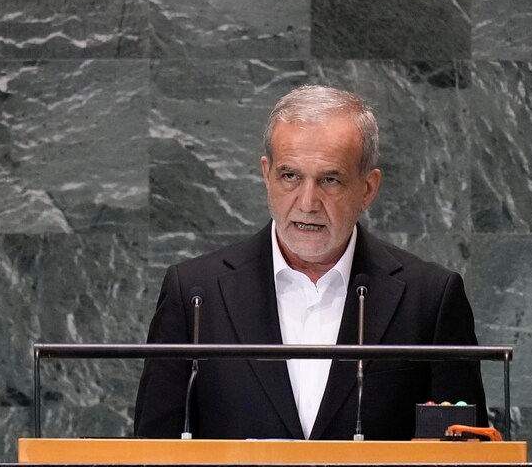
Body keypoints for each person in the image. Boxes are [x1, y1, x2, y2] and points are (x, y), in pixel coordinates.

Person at [134, 85, 487, 440]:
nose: (307, 202)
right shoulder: (196, 294)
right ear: (266, 175)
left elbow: (464, 454)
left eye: (329, 180)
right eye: (290, 176)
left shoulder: (428, 299)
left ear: (368, 189)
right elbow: (150, 451)